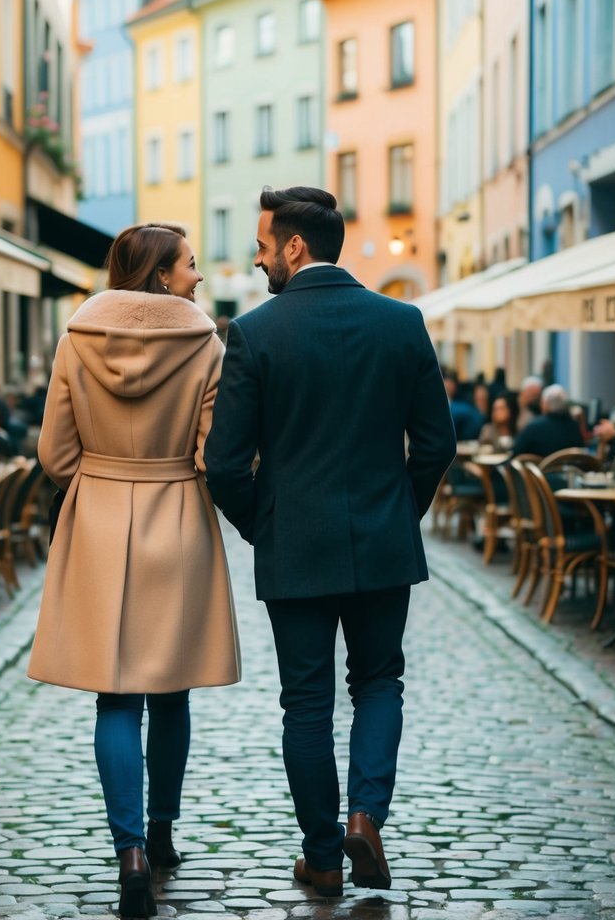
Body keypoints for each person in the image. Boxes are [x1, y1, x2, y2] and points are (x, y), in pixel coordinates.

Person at [204, 186, 456, 899]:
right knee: (378, 683)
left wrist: (268, 523)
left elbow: (223, 464)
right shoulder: (401, 322)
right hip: (381, 540)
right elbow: (436, 444)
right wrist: (398, 512)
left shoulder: (254, 333)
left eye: (261, 245)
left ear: (293, 246)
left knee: (306, 704)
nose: (256, 259)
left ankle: (321, 857)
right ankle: (365, 818)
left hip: (296, 546)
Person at [28, 223, 240, 918]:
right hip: (175, 511)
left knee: (114, 696)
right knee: (170, 688)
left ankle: (128, 853)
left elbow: (54, 453)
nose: (198, 276)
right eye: (188, 264)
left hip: (97, 518)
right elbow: (214, 455)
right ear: (157, 275)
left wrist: (98, 482)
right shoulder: (206, 345)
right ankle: (162, 831)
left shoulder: (75, 338)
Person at [511, 384, 583, 458]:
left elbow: (516, 453)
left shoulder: (534, 427)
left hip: (541, 469)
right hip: (571, 469)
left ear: (546, 403)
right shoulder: (574, 426)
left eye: (542, 402)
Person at [443, 369, 485, 441]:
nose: (448, 385)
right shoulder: (461, 406)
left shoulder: (464, 406)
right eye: (446, 382)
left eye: (450, 383)